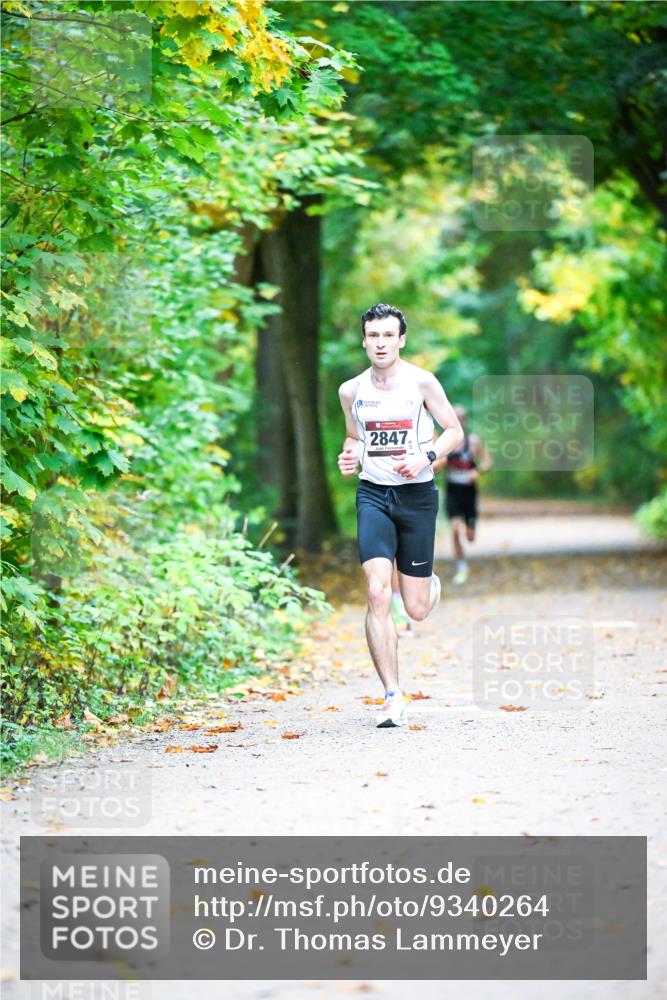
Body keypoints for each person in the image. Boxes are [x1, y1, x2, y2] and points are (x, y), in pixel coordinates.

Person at [337, 303, 463, 728]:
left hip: (418, 498)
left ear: (401, 340)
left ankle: (426, 586)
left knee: (416, 609)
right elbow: (354, 438)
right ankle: (392, 695)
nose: (380, 343)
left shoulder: (421, 382)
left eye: (388, 336)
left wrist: (425, 454)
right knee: (376, 591)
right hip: (373, 495)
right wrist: (350, 456)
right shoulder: (351, 391)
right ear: (364, 340)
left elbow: (454, 432)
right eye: (373, 336)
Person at [435, 404, 492, 585]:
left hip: (469, 492)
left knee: (470, 536)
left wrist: (478, 471)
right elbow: (436, 460)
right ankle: (461, 565)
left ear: (465, 420)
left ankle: (471, 528)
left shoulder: (473, 441)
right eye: (455, 416)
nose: (458, 420)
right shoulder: (445, 442)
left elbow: (487, 461)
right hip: (452, 490)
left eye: (461, 417)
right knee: (454, 530)